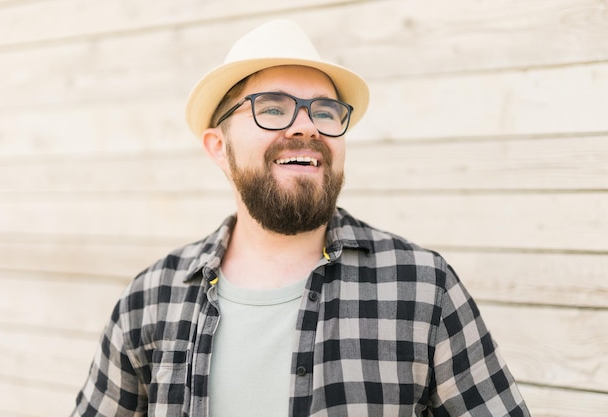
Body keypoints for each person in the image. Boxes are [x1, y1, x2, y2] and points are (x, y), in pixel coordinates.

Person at [72, 19, 531, 417]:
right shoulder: (150, 300)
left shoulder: (422, 287)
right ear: (218, 147)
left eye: (325, 112)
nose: (307, 126)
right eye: (272, 108)